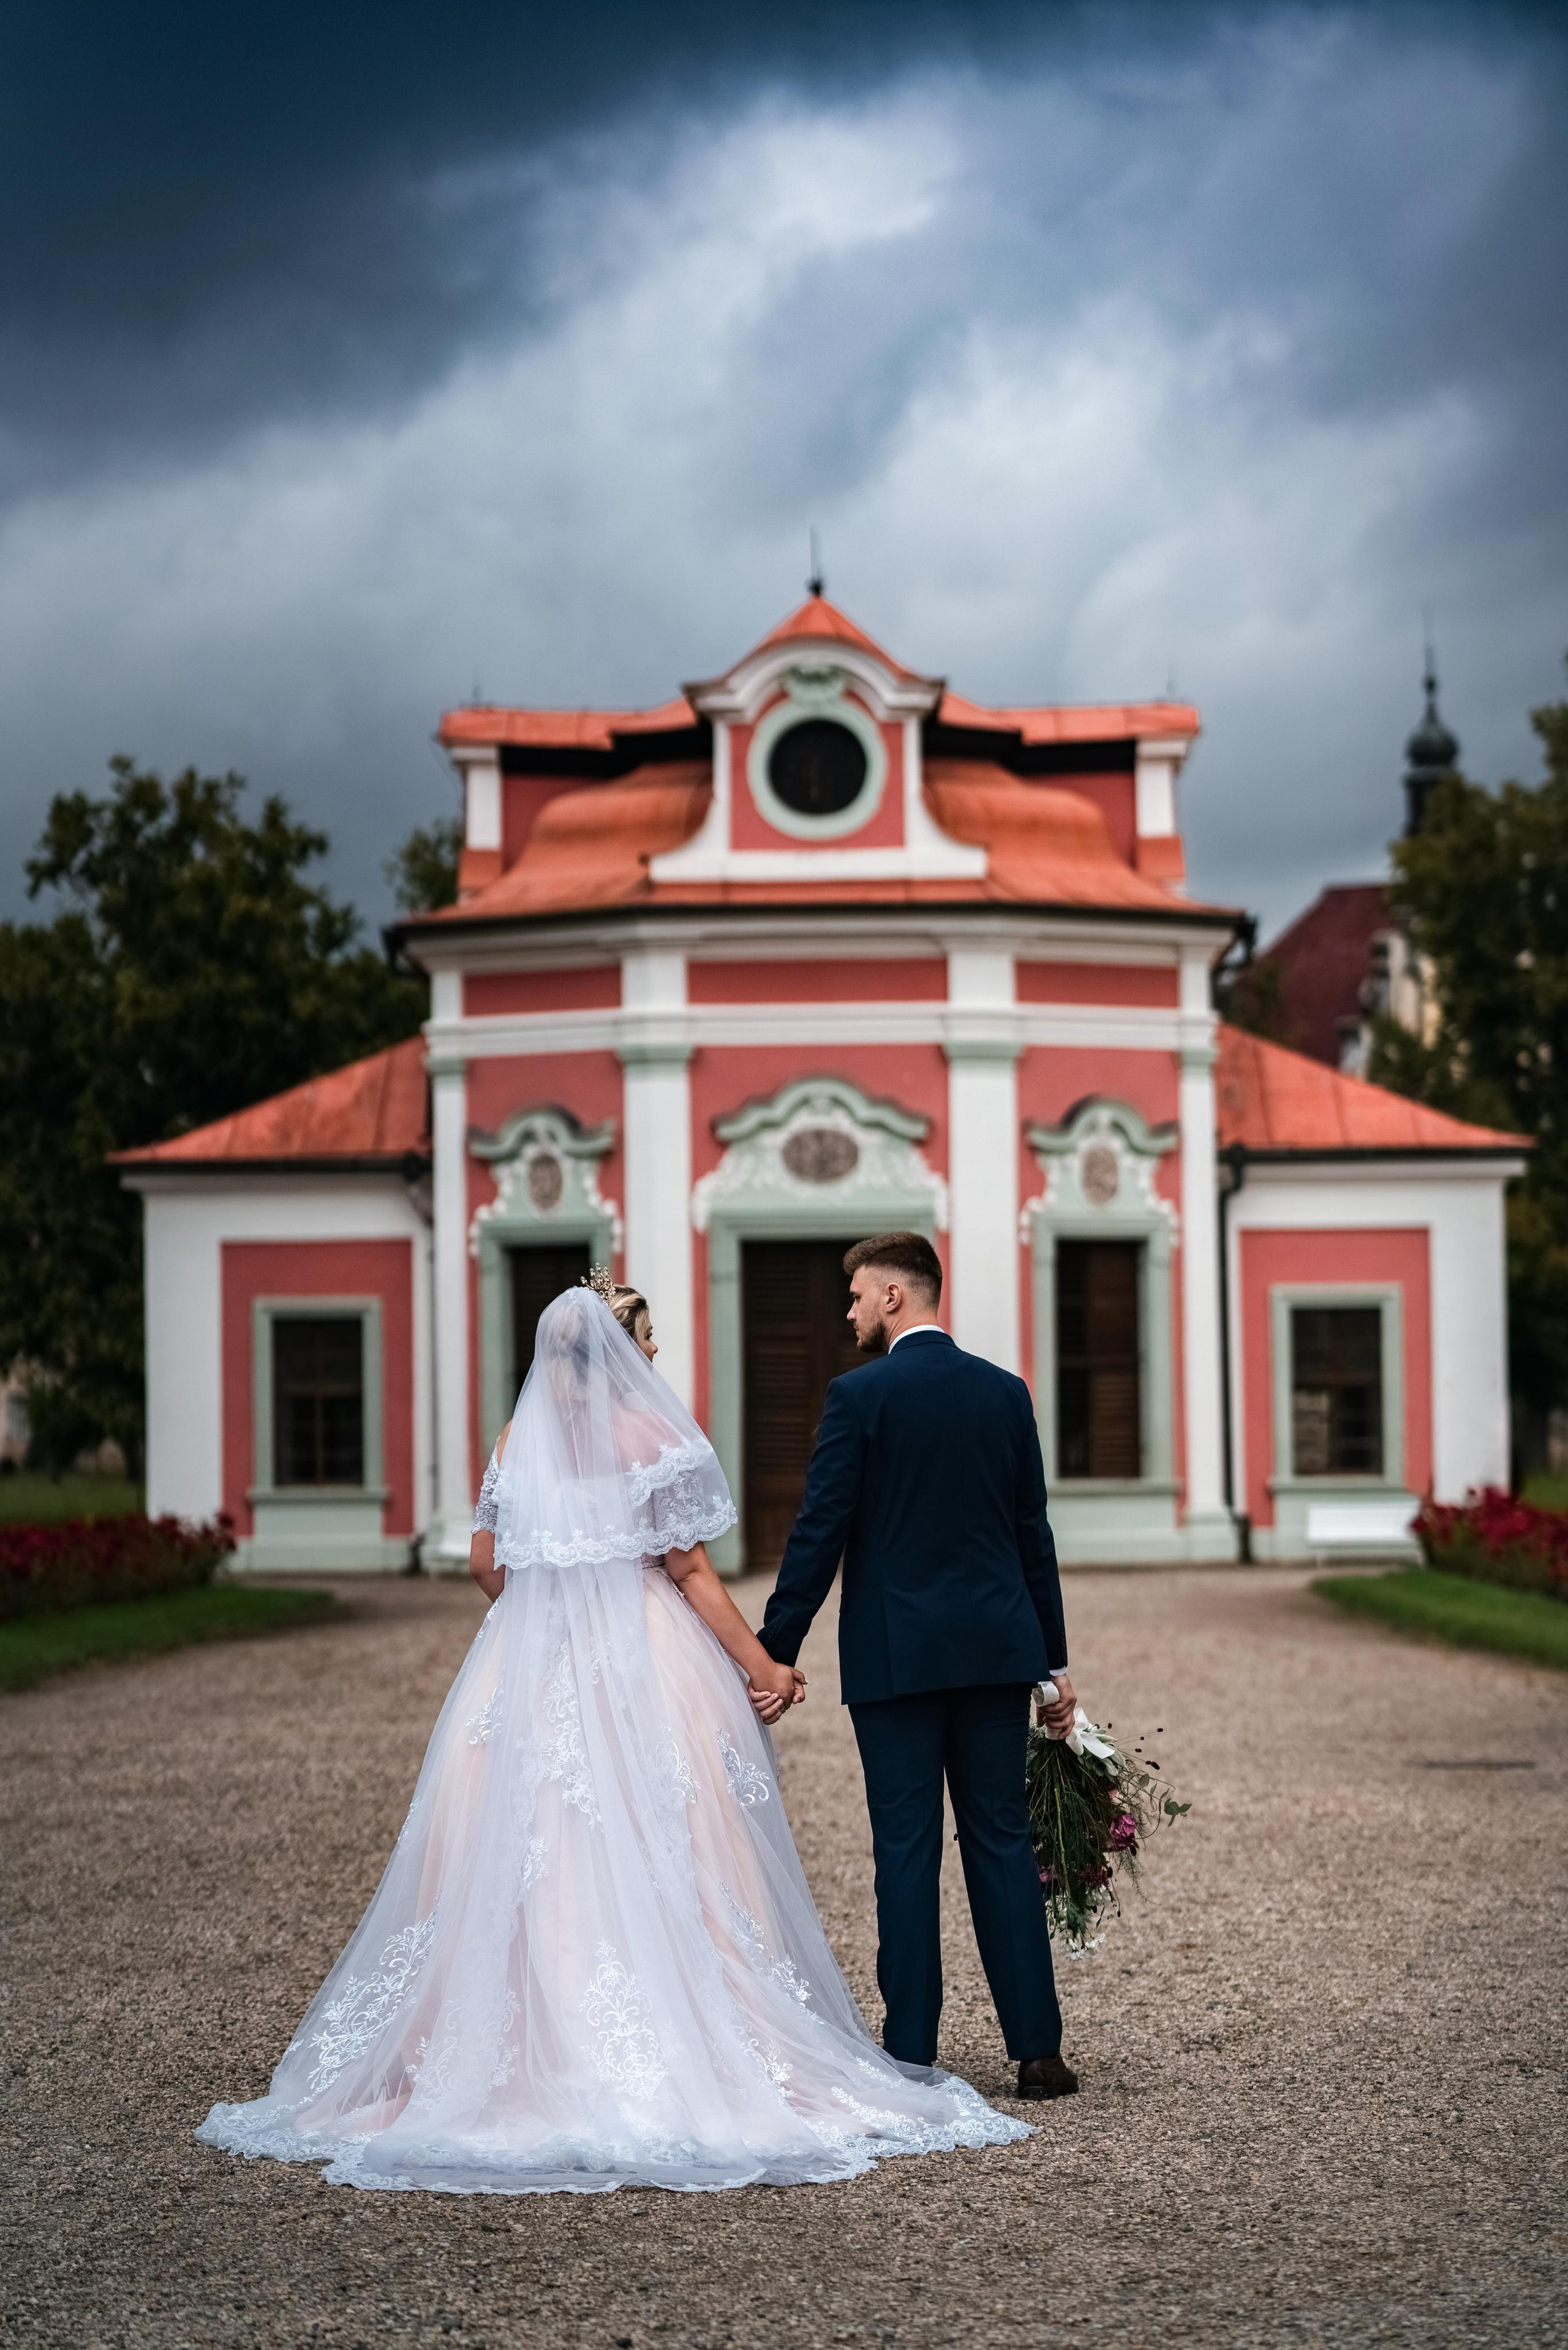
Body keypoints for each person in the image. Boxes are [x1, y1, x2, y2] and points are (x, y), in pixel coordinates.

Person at [195, 1273, 1030, 2194]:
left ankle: (512, 2051)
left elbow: (485, 1560)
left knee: (521, 1846)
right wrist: (766, 1668)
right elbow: (693, 1572)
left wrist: (550, 1614)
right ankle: (701, 2043)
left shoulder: (519, 1441)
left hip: (530, 1666)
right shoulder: (650, 1435)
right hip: (646, 1661)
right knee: (681, 1842)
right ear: (623, 1352)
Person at [758, 1232, 1080, 2101]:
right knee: (1002, 1841)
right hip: (995, 1653)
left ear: (896, 1296)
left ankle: (907, 2054)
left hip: (896, 1660)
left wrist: (773, 1648)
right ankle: (1037, 2050)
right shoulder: (1005, 1394)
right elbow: (1031, 1536)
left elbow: (819, 1530)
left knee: (906, 1848)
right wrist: (1051, 1662)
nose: (851, 1311)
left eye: (859, 1295)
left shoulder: (859, 1398)